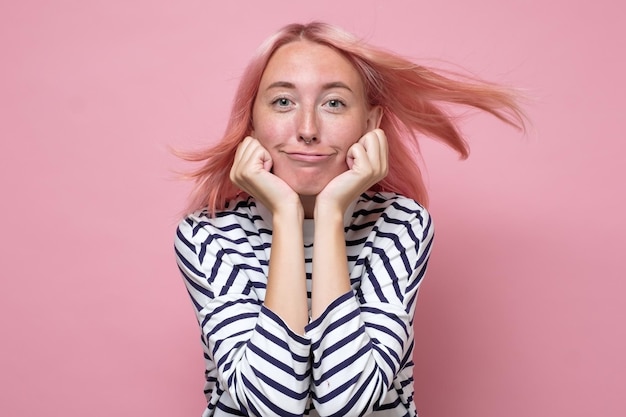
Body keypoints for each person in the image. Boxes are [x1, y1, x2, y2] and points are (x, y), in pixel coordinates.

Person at [174, 22, 524, 417]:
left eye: (334, 103)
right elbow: (272, 408)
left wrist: (329, 212)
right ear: (251, 120)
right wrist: (288, 215)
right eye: (283, 102)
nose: (307, 129)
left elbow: (347, 405)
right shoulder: (207, 235)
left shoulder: (400, 223)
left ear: (371, 123)